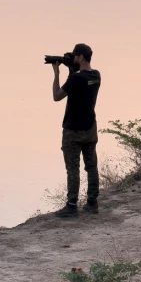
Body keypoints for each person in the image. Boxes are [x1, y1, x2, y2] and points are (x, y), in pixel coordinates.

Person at [51, 42, 101, 218]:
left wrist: (57, 74)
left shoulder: (75, 79)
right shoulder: (96, 76)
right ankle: (92, 203)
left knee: (73, 168)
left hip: (73, 131)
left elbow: (57, 96)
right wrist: (72, 69)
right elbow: (80, 83)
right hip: (90, 128)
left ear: (80, 57)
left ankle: (72, 205)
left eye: (74, 56)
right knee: (91, 166)